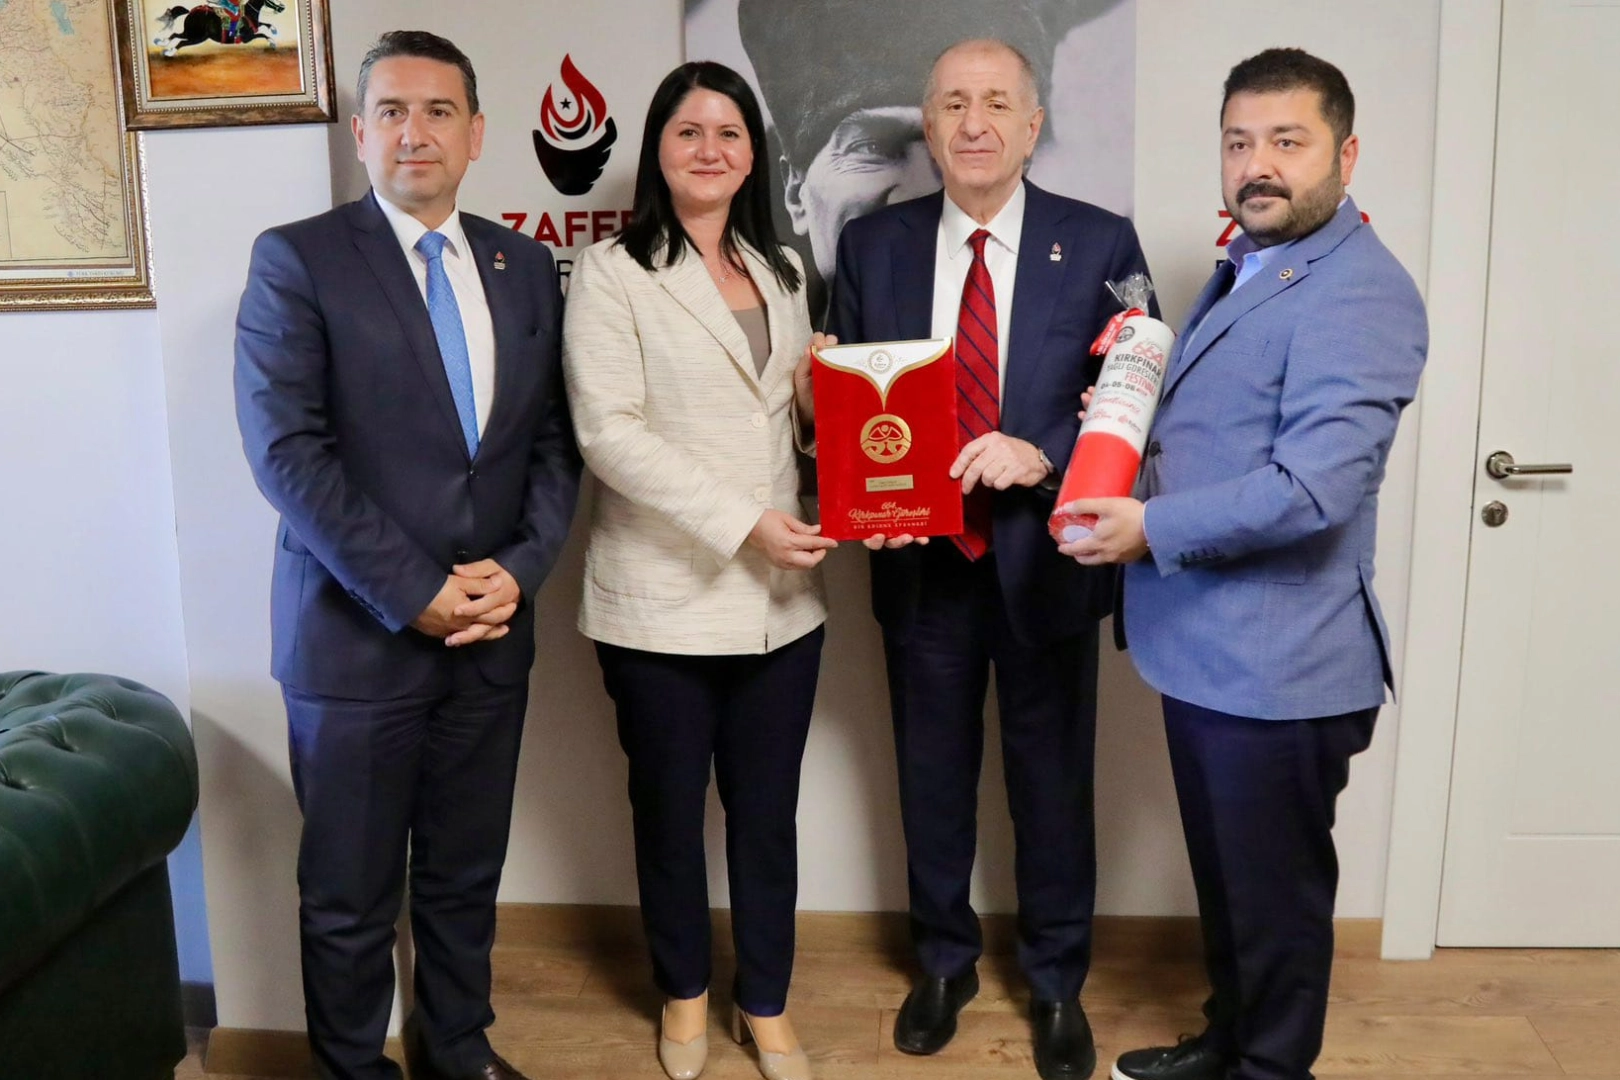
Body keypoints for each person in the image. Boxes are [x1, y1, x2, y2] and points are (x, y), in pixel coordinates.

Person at [1058, 48, 1428, 1080]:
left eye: (1287, 141)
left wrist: (1148, 527)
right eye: (1239, 142)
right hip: (1209, 654)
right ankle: (1226, 1046)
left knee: (1276, 910)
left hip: (1281, 669)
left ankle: (1269, 1069)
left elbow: (1314, 489)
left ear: (1345, 155)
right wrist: (1129, 424)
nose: (1257, 164)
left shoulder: (1362, 291)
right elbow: (1225, 430)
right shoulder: (1254, 264)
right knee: (1231, 892)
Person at [233, 30, 580, 1080]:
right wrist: (415, 589)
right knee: (350, 895)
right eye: (391, 111)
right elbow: (288, 454)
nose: (414, 132)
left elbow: (553, 442)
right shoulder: (298, 258)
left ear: (477, 134)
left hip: (491, 635)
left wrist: (520, 569)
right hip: (355, 644)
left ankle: (458, 1048)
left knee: (465, 877)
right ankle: (354, 1068)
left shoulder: (524, 265)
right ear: (359, 132)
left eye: (438, 112)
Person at [826, 37, 1152, 1080]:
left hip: (1047, 558)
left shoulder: (1098, 240)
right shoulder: (872, 248)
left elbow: (1135, 393)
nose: (975, 123)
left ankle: (1056, 981)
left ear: (1032, 124)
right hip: (922, 567)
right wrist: (860, 498)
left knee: (1053, 786)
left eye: (998, 103)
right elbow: (847, 399)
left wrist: (1042, 450)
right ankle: (943, 964)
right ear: (928, 126)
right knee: (930, 780)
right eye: (955, 103)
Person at [561, 61, 831, 1080]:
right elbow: (609, 435)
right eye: (688, 131)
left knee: (767, 818)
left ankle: (764, 1001)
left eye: (729, 132)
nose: (709, 149)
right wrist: (746, 523)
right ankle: (682, 994)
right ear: (658, 150)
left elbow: (789, 426)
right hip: (660, 601)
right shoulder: (610, 271)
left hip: (781, 604)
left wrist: (824, 405)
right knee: (669, 815)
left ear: (754, 153)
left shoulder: (785, 271)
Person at [736, 0, 1125, 322]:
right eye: (872, 148)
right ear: (795, 190)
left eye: (996, 107)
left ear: (1030, 135)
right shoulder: (784, 324)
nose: (918, 191)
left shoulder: (1100, 248)